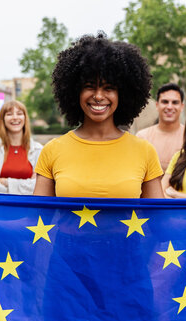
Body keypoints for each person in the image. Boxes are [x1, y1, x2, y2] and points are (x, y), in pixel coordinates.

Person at [32, 33, 163, 198]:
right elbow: (37, 216)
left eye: (108, 88)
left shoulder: (145, 151)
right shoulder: (52, 150)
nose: (99, 96)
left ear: (123, 94)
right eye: (89, 86)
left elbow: (159, 218)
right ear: (75, 92)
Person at [0, 100, 43, 194]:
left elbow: (39, 187)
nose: (15, 117)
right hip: (0, 206)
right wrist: (26, 186)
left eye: (19, 113)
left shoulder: (38, 149)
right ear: (3, 119)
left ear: (25, 118)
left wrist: (7, 182)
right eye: (9, 114)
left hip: (29, 207)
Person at [136, 83, 185, 171]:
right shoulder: (143, 137)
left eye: (175, 102)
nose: (169, 107)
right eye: (165, 102)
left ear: (181, 106)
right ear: (157, 105)